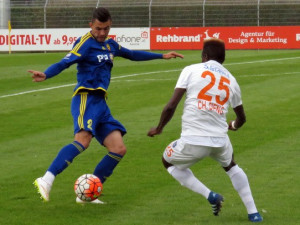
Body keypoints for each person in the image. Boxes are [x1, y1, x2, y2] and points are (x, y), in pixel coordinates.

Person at [29, 7, 184, 204]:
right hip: (86, 97)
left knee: (118, 148)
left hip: (101, 104)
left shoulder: (110, 45)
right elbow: (65, 62)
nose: (102, 33)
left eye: (106, 28)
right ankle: (46, 179)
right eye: (98, 28)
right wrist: (46, 74)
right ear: (91, 25)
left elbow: (131, 54)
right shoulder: (85, 43)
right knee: (83, 140)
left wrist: (161, 56)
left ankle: (87, 193)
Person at [147, 38, 262, 222]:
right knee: (231, 166)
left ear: (204, 56)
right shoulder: (231, 80)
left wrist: (159, 128)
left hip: (193, 140)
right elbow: (242, 119)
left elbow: (171, 106)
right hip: (220, 140)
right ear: (223, 60)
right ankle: (254, 213)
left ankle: (211, 196)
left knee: (167, 162)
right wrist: (233, 125)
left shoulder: (191, 70)